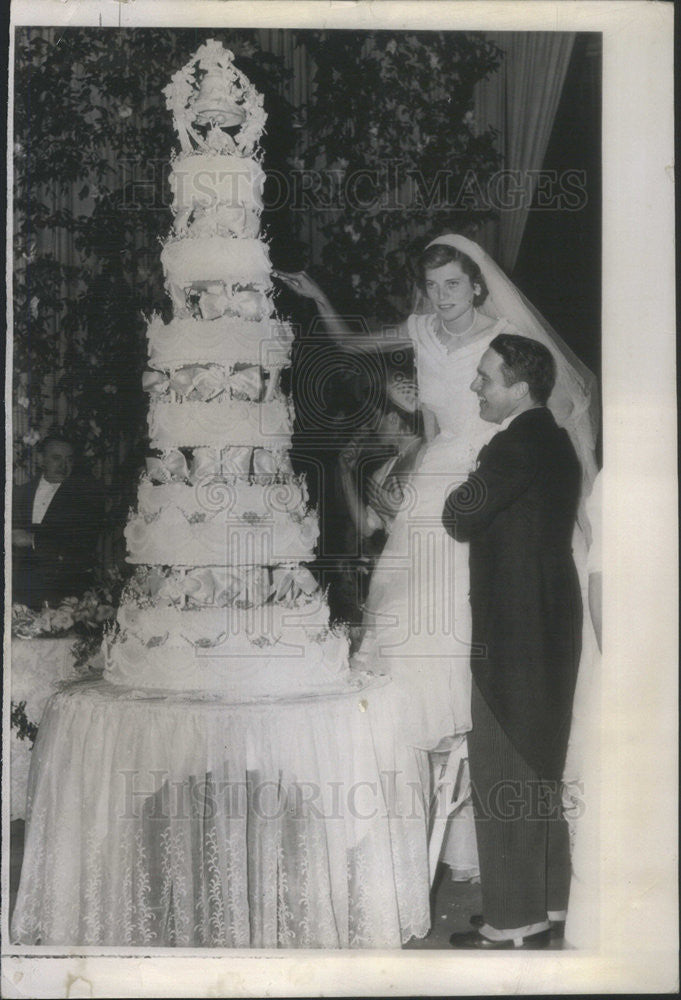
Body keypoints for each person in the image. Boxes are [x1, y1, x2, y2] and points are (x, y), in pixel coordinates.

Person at [276, 235, 597, 878]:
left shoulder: (505, 339)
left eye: (453, 285)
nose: (442, 298)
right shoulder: (422, 329)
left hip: (488, 480)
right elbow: (362, 358)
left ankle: (491, 807)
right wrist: (320, 300)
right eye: (433, 287)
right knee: (405, 626)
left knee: (462, 629)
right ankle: (405, 817)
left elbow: (547, 412)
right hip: (431, 485)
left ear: (477, 286)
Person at [443, 334, 582, 949]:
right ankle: (549, 903)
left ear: (518, 387)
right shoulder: (554, 440)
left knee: (502, 765)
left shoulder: (511, 444)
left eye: (485, 377)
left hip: (513, 630)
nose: (476, 386)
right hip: (552, 620)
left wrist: (467, 475)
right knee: (540, 764)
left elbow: (458, 516)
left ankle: (513, 922)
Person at [12, 433, 106, 609]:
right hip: (19, 590)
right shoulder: (18, 494)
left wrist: (32, 540)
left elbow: (82, 544)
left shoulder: (85, 499)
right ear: (41, 459)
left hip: (62, 592)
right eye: (56, 458)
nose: (63, 466)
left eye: (69, 460)